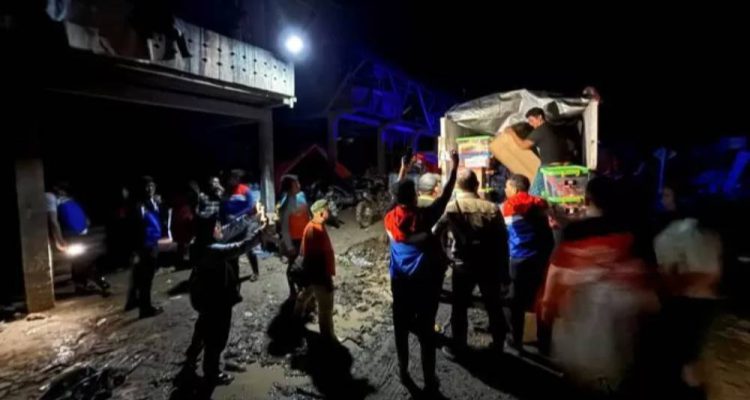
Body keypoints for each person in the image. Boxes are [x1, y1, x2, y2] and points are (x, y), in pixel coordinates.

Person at [540, 177, 658, 393]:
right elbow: (648, 286)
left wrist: (547, 311)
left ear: (587, 200)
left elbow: (555, 277)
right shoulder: (632, 232)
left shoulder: (574, 234)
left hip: (581, 331)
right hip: (622, 331)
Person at [384, 150, 458, 394]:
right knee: (427, 334)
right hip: (425, 286)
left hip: (400, 284)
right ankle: (429, 379)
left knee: (401, 330)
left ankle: (403, 371)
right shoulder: (424, 218)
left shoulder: (389, 218)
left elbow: (395, 197)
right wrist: (454, 166)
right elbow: (445, 195)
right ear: (415, 196)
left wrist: (403, 169)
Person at [433, 169, 509, 359]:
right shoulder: (492, 208)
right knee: (493, 305)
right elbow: (503, 241)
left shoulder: (452, 208)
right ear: (476, 185)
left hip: (462, 265)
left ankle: (459, 346)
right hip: (489, 265)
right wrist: (504, 271)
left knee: (459, 307)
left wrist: (443, 256)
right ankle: (498, 346)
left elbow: (435, 233)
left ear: (457, 187)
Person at [185, 214, 265, 389]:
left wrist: (249, 218)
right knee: (217, 336)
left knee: (203, 326)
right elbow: (239, 247)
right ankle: (211, 373)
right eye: (217, 226)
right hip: (216, 299)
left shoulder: (199, 243)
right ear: (209, 231)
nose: (220, 228)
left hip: (206, 298)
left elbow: (229, 230)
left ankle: (192, 355)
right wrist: (260, 235)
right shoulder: (211, 250)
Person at [654, 213, 722, 398]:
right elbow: (711, 275)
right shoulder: (706, 234)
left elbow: (671, 280)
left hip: (685, 306)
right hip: (700, 306)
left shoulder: (670, 235)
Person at [500, 174, 555, 354]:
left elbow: (504, 233)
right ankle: (544, 342)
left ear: (515, 189)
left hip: (518, 258)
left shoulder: (509, 205)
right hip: (541, 258)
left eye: (507, 187)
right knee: (540, 299)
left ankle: (515, 340)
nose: (505, 190)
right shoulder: (541, 203)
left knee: (514, 301)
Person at [49, 182, 110, 295]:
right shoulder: (54, 200)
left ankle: (83, 284)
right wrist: (59, 239)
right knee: (81, 260)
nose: (61, 191)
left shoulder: (66, 200)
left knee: (80, 260)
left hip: (78, 233)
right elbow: (55, 221)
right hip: (72, 234)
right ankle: (93, 282)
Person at [293, 199, 337, 341]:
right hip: (319, 276)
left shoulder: (316, 226)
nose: (330, 212)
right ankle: (328, 339)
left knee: (305, 295)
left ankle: (295, 320)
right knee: (325, 309)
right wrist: (326, 280)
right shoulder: (314, 230)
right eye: (328, 210)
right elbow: (313, 259)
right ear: (321, 213)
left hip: (314, 275)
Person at [125, 176, 165, 319]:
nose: (150, 189)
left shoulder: (150, 202)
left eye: (152, 186)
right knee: (146, 277)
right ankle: (145, 309)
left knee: (140, 275)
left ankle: (133, 301)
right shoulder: (139, 205)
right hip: (145, 244)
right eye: (147, 186)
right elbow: (137, 225)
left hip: (150, 242)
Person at [505, 108, 569, 196]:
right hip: (562, 165)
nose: (531, 124)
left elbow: (523, 145)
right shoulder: (552, 127)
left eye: (532, 120)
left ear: (540, 117)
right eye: (529, 122)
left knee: (534, 194)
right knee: (556, 193)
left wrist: (512, 133)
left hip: (549, 167)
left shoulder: (540, 130)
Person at [222, 170, 260, 281]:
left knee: (249, 249)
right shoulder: (226, 192)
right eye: (231, 178)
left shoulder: (244, 190)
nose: (232, 180)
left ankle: (255, 272)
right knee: (233, 251)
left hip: (246, 224)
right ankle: (234, 278)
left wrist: (238, 215)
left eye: (234, 178)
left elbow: (251, 207)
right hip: (231, 226)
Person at [277, 175, 310, 297]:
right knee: (293, 266)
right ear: (289, 188)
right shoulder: (285, 206)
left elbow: (308, 214)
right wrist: (289, 246)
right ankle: (293, 290)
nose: (299, 186)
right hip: (295, 240)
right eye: (296, 184)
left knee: (305, 263)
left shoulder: (301, 196)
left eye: (298, 183)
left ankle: (303, 288)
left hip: (305, 236)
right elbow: (284, 229)